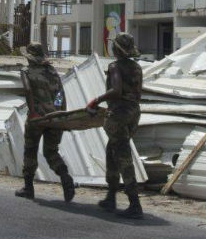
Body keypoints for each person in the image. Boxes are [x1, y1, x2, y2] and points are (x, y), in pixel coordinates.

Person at [87, 33, 144, 219]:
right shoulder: (137, 67)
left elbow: (116, 90)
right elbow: (137, 93)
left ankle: (135, 204)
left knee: (123, 158)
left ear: (116, 49)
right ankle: (111, 197)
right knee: (112, 152)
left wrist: (96, 100)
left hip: (119, 114)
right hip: (133, 113)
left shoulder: (115, 67)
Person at [15, 43, 75, 202]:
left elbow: (28, 90)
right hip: (54, 117)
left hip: (37, 118)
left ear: (29, 57)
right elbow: (60, 94)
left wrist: (33, 111)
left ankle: (28, 188)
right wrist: (59, 112)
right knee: (51, 152)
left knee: (30, 150)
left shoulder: (26, 71)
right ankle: (65, 176)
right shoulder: (53, 71)